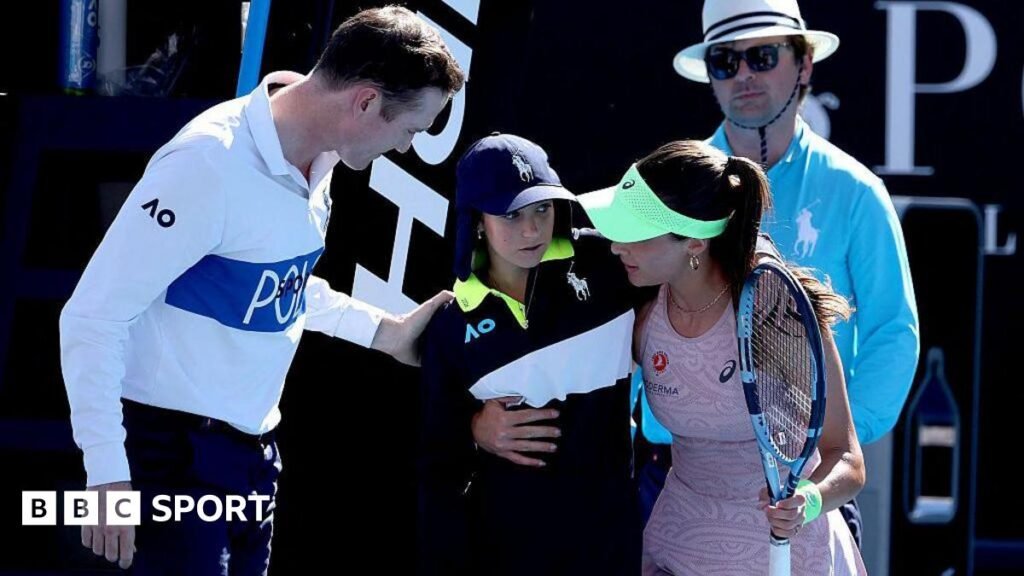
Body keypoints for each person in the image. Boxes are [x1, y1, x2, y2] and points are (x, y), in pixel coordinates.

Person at [58, 7, 464, 573]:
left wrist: (383, 333)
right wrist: (105, 474)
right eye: (408, 131)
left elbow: (273, 279)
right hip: (165, 459)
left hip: (252, 458)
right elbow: (91, 318)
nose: (402, 147)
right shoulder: (205, 165)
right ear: (366, 102)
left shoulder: (321, 159)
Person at [629, 0, 921, 541]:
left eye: (762, 56)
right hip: (677, 479)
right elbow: (627, 320)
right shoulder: (666, 190)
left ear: (804, 63)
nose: (743, 75)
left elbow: (893, 335)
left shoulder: (857, 193)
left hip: (804, 491)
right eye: (724, 61)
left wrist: (816, 446)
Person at [578, 139, 866, 574]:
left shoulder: (777, 312)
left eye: (635, 232)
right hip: (678, 544)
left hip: (786, 552)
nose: (617, 245)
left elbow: (846, 457)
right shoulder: (637, 304)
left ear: (694, 242)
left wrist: (807, 500)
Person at [417, 134, 642, 576]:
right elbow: (436, 463)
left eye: (543, 208)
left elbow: (686, 257)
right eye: (511, 214)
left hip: (609, 545)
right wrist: (474, 431)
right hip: (506, 553)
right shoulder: (449, 325)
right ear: (477, 220)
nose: (532, 229)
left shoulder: (609, 260)